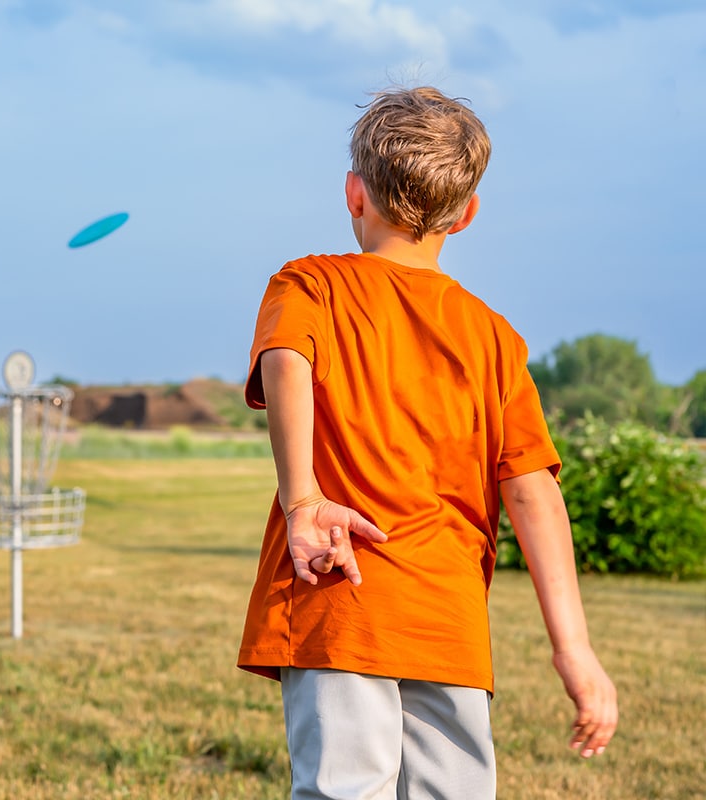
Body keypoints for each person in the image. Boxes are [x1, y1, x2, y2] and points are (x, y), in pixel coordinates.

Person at [238, 86, 618, 800]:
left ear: (355, 194)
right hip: (450, 625)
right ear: (467, 214)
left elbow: (285, 360)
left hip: (338, 605)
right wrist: (576, 651)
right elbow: (534, 491)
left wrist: (304, 500)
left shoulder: (309, 283)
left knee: (343, 789)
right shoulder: (494, 337)